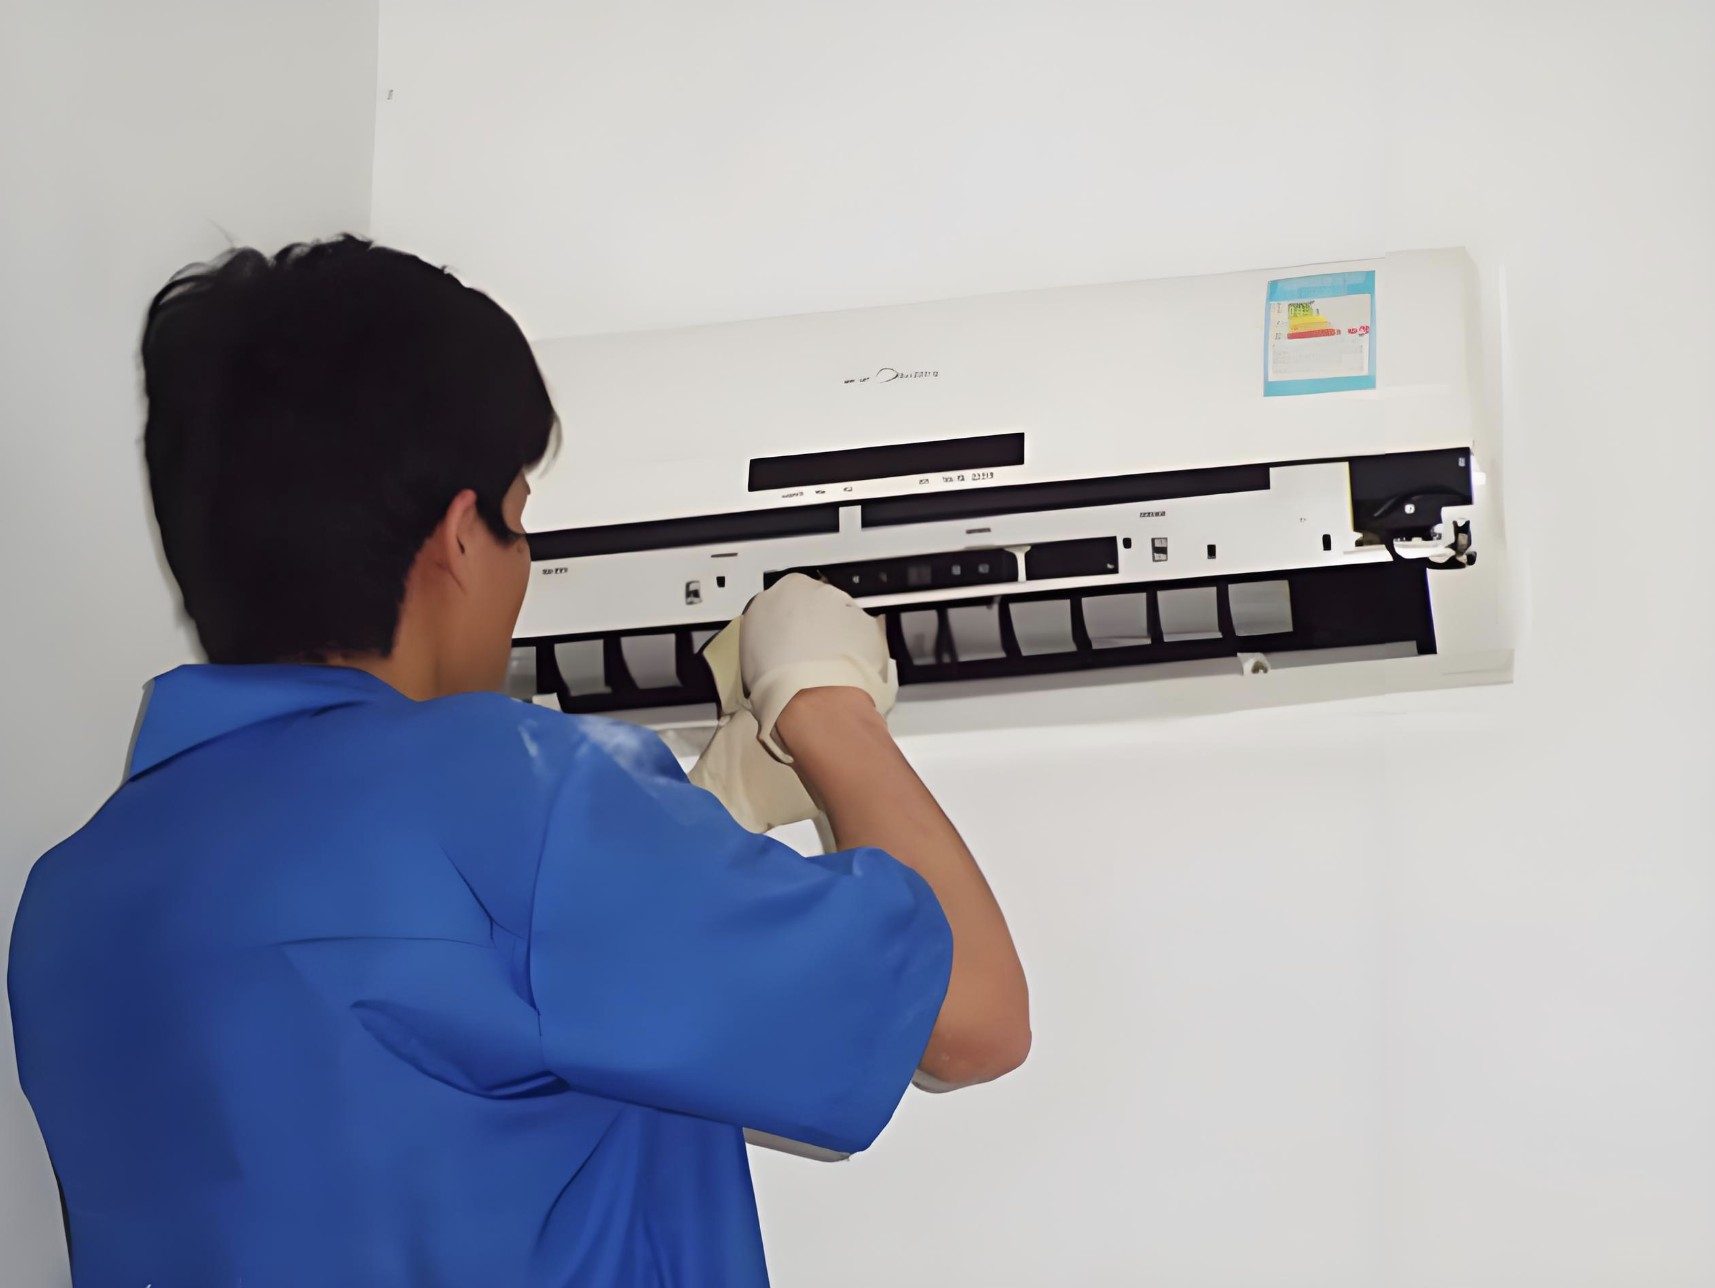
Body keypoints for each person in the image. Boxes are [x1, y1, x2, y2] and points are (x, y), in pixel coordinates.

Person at [6, 236, 1028, 1286]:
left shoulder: (71, 903)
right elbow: (973, 1017)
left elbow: (426, 1070)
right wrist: (824, 704)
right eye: (519, 522)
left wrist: (700, 820)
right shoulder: (516, 787)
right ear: (460, 536)